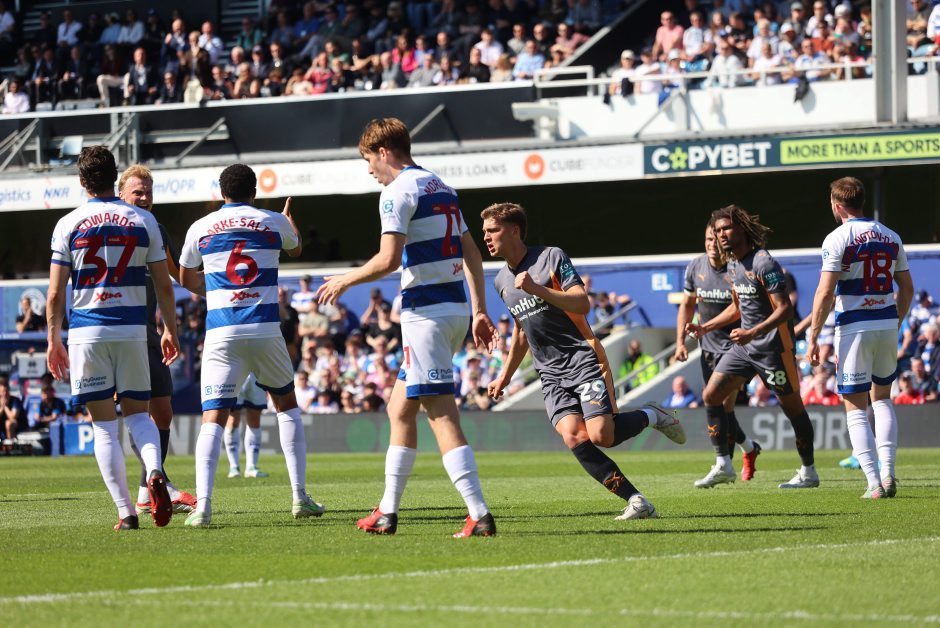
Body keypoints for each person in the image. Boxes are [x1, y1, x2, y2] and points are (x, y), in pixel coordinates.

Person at [317, 118, 497, 538]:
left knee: (441, 414)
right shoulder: (441, 186)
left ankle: (479, 513)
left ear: (383, 152)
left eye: (368, 160)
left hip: (426, 315)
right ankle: (387, 511)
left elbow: (388, 259)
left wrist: (345, 280)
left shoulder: (397, 191)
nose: (369, 171)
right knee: (399, 409)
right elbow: (472, 253)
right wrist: (479, 310)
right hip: (453, 309)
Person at [483, 202, 686, 521]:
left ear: (514, 231)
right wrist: (505, 376)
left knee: (602, 436)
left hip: (583, 359)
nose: (486, 237)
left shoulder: (551, 257)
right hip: (550, 374)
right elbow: (522, 330)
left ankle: (652, 415)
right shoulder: (500, 282)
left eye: (492, 230)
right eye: (484, 231)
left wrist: (536, 289)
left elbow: (582, 303)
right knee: (574, 436)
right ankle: (636, 501)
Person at [179, 166, 324, 527]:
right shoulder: (274, 221)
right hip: (264, 327)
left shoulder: (201, 227)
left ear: (221, 192)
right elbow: (296, 249)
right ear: (254, 192)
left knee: (213, 418)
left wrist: (216, 290)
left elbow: (185, 277)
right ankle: (299, 496)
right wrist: (289, 223)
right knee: (287, 407)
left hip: (222, 331)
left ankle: (203, 506)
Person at [46, 146, 179, 530]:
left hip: (88, 332)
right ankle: (155, 471)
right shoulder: (143, 221)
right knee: (139, 414)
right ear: (114, 178)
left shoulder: (68, 223)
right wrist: (170, 329)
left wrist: (53, 338)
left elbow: (54, 294)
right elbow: (164, 285)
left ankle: (126, 513)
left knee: (104, 426)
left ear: (82, 181)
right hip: (133, 330)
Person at [688, 205, 818, 489]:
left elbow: (785, 309)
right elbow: (737, 307)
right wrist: (705, 327)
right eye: (718, 230)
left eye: (726, 228)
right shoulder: (733, 264)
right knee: (711, 396)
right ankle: (724, 464)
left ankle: (808, 471)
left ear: (742, 229)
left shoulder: (763, 262)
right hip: (744, 349)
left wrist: (752, 332)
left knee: (793, 409)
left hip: (774, 350)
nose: (721, 235)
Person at [807, 177, 914, 499]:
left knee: (855, 406)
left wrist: (813, 335)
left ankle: (873, 482)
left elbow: (825, 292)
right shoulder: (891, 236)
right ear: (862, 201)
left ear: (837, 205)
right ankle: (889, 473)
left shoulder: (837, 238)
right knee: (882, 399)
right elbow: (907, 289)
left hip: (854, 327)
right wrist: (896, 321)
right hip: (886, 323)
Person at [117, 165, 197, 516]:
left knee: (162, 411)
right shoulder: (109, 227)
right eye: (138, 191)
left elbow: (175, 278)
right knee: (135, 412)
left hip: (149, 332)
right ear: (121, 193)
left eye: (149, 191)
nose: (145, 197)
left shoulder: (156, 228)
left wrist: (224, 284)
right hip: (119, 331)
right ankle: (154, 485)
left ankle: (145, 491)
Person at [675, 223, 762, 484]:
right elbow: (687, 304)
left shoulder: (736, 268)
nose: (712, 244)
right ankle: (748, 448)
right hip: (707, 348)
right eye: (707, 239)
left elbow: (739, 308)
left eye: (715, 239)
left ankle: (724, 463)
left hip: (735, 347)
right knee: (718, 405)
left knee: (724, 404)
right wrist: (680, 342)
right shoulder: (695, 266)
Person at [224, 373, 270, 479]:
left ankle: (251, 467)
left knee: (255, 417)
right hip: (236, 372)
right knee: (232, 418)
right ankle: (234, 467)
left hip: (256, 373)